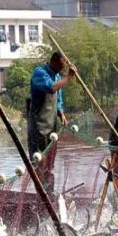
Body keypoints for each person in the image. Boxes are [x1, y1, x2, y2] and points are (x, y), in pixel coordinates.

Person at [27, 51, 76, 191]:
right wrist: (69, 77)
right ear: (53, 61)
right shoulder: (40, 73)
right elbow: (51, 88)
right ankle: (41, 193)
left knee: (50, 163)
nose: (61, 70)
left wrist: (61, 113)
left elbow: (58, 100)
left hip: (51, 126)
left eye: (63, 68)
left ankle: (50, 192)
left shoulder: (58, 76)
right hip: (38, 126)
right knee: (39, 162)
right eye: (59, 67)